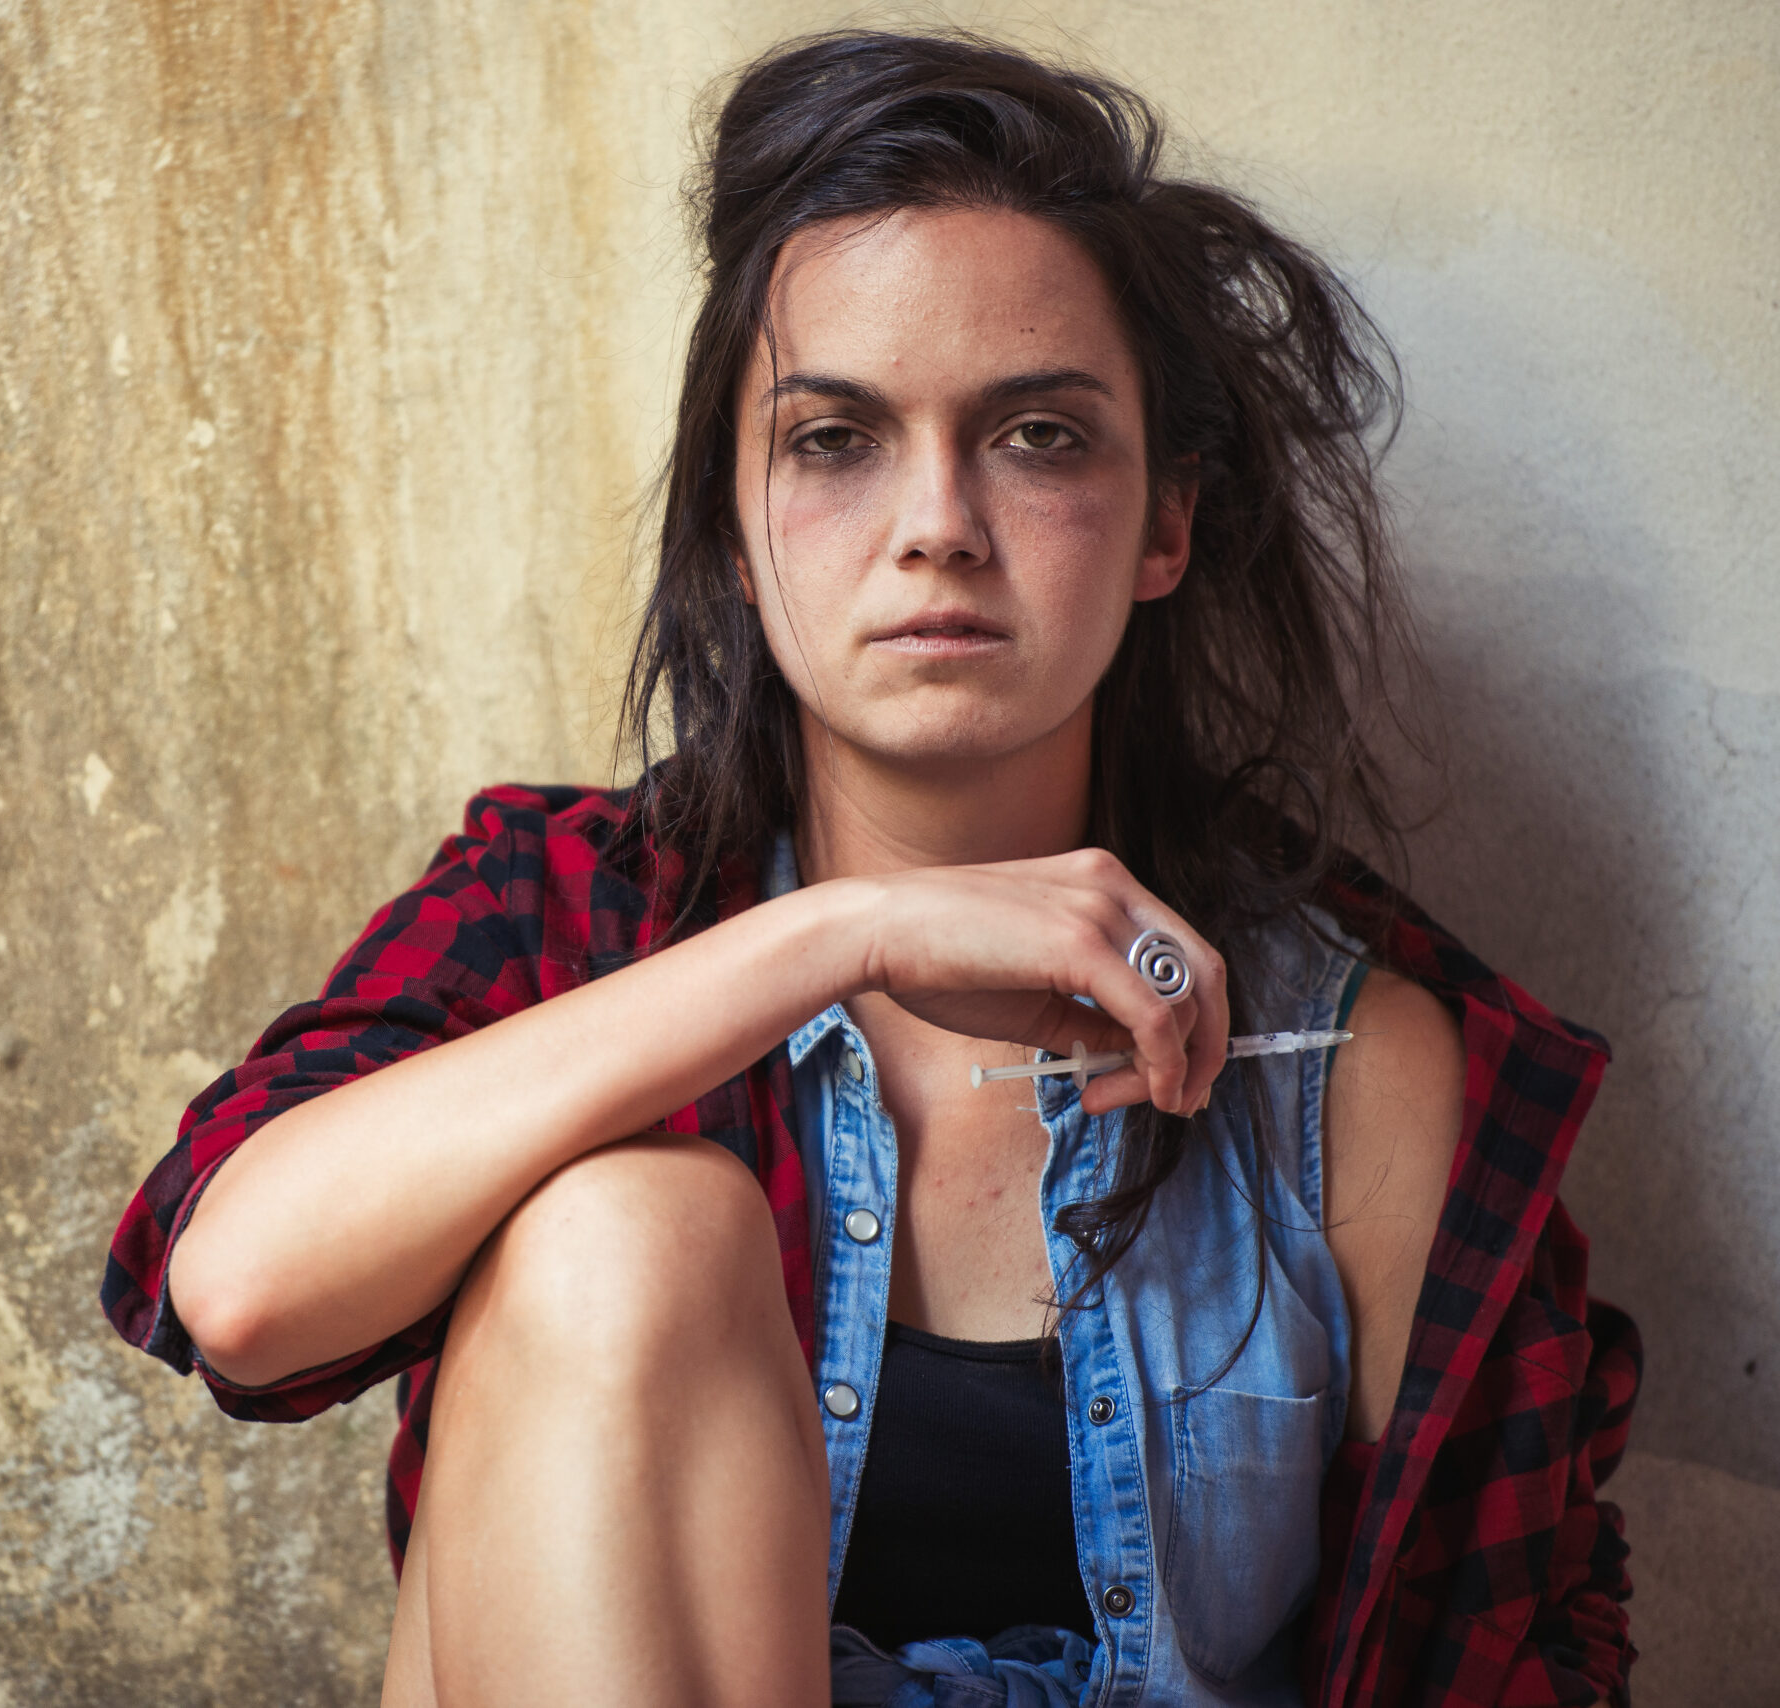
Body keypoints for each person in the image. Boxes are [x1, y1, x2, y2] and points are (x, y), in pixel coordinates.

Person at [101, 30, 1639, 1708]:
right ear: (734, 536)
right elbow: (239, 1291)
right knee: (624, 1228)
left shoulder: (1345, 1066)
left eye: (1039, 436)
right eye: (835, 438)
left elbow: (1509, 1647)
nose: (937, 524)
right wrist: (846, 932)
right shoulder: (575, 916)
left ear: (1164, 525)